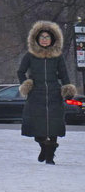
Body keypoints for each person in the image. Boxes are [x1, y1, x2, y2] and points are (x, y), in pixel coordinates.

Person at [18, 20, 78, 165]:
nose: (44, 40)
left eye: (47, 37)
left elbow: (64, 74)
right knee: (37, 128)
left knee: (54, 127)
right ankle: (44, 147)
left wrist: (67, 88)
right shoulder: (30, 56)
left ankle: (50, 157)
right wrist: (26, 84)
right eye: (42, 37)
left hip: (54, 94)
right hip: (36, 95)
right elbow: (20, 71)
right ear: (36, 39)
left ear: (53, 39)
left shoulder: (57, 56)